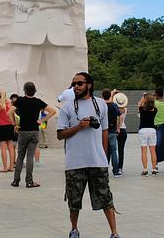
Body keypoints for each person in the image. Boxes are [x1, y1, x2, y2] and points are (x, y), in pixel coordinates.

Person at [56, 72, 119, 238]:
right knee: (74, 200)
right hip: (75, 162)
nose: (76, 86)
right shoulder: (67, 107)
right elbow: (60, 134)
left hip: (97, 161)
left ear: (89, 85)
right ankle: (74, 229)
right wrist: (79, 126)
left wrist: (104, 156)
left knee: (106, 198)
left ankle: (114, 232)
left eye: (80, 83)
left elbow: (105, 131)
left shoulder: (101, 105)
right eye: (74, 83)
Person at [11, 82, 57, 188]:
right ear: (34, 91)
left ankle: (16, 180)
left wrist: (15, 124)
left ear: (25, 90)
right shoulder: (38, 102)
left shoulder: (20, 101)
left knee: (20, 156)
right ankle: (29, 181)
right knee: (30, 156)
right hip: (34, 131)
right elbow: (53, 111)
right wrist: (42, 120)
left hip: (22, 131)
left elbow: (9, 112)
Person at [0, 90, 16, 173]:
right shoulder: (10, 104)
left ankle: (5, 167)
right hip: (10, 127)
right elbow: (13, 116)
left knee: (3, 148)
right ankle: (12, 167)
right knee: (11, 147)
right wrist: (14, 125)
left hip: (1, 127)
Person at [102, 89, 121, 177]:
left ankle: (104, 171)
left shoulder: (101, 105)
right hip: (113, 131)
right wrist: (118, 127)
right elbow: (120, 116)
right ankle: (116, 171)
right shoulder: (114, 105)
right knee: (114, 151)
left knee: (104, 151)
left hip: (103, 132)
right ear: (110, 96)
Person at [138, 93, 158, 176]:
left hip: (143, 130)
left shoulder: (141, 109)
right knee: (153, 151)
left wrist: (143, 97)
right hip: (152, 130)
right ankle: (154, 169)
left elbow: (140, 103)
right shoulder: (155, 110)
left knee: (144, 151)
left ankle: (145, 169)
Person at [113, 92, 128, 175]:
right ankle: (120, 168)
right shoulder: (125, 109)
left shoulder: (115, 109)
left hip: (116, 129)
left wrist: (117, 128)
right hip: (123, 130)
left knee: (113, 150)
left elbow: (119, 119)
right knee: (121, 150)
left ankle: (114, 167)